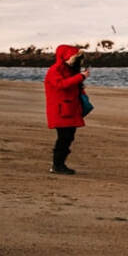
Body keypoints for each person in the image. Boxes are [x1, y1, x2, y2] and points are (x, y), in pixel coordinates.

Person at [43, 44, 90, 175]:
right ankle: (57, 165)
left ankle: (59, 164)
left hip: (69, 109)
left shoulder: (69, 69)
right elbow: (61, 85)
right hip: (61, 110)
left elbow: (71, 86)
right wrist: (81, 77)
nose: (76, 61)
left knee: (68, 137)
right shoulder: (55, 70)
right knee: (64, 138)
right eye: (74, 57)